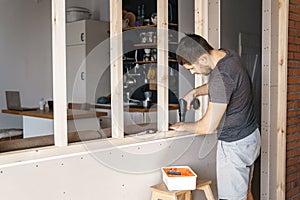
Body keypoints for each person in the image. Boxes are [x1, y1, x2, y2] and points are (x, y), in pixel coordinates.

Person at [170, 34, 261, 200]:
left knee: (233, 198)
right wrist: (196, 92)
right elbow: (226, 85)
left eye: (192, 68)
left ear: (203, 58)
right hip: (250, 137)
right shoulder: (228, 56)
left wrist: (184, 126)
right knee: (244, 192)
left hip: (235, 145)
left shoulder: (221, 77)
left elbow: (207, 126)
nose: (194, 73)